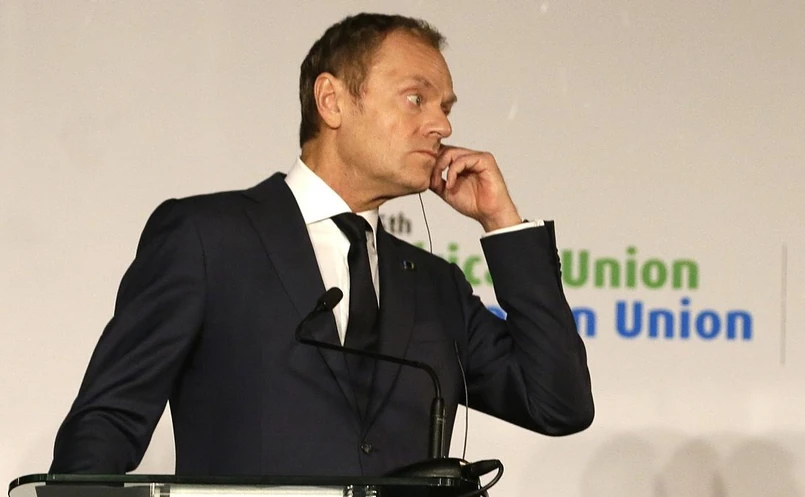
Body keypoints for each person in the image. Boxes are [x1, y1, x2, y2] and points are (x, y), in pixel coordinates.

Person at [50, 13, 593, 477]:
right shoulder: (208, 239)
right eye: (416, 99)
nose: (441, 125)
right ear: (332, 101)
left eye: (445, 107)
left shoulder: (437, 286)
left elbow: (558, 404)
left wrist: (503, 224)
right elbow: (108, 420)